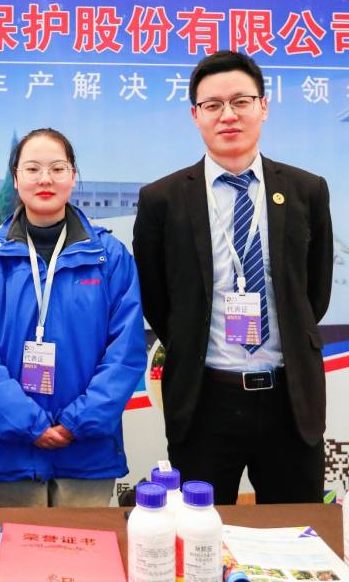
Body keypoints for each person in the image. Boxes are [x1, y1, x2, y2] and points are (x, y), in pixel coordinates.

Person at [133, 53, 334, 504]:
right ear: (195, 115)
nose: (228, 115)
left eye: (241, 101)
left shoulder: (306, 190)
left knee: (294, 530)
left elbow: (314, 294)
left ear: (263, 106)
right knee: (199, 531)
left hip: (289, 400)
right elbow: (157, 299)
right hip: (205, 400)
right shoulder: (162, 199)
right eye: (213, 105)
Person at [0, 128, 146, 507]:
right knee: (10, 545)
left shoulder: (109, 256)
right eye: (32, 169)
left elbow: (125, 352)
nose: (45, 179)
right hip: (9, 452)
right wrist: (27, 422)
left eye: (57, 168)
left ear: (73, 176)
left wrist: (77, 422)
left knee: (83, 544)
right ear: (16, 178)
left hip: (88, 452)